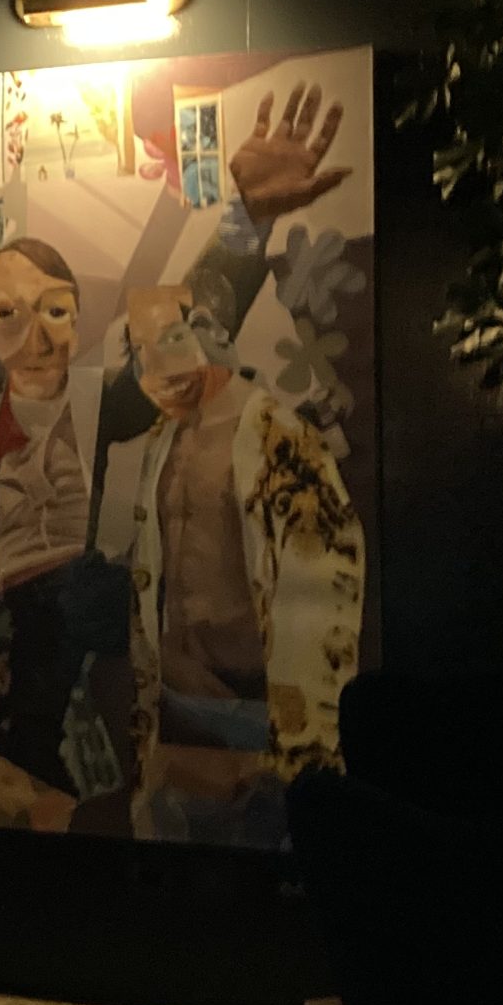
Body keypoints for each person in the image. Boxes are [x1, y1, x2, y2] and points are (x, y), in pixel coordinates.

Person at [112, 275, 363, 846]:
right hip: (178, 698)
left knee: (261, 865)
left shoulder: (281, 437)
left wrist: (296, 725)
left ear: (211, 331)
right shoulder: (162, 443)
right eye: (139, 348)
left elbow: (330, 585)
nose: (154, 365)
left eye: (170, 338)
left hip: (256, 702)